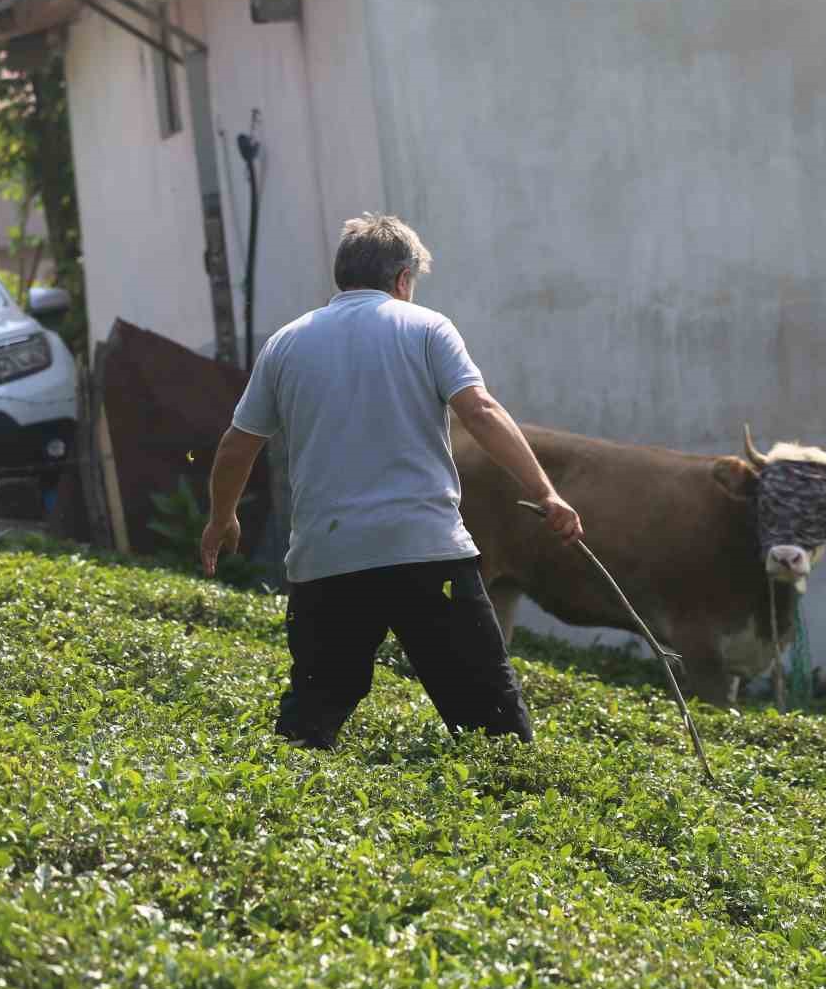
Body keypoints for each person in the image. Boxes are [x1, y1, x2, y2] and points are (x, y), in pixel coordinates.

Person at [199, 213, 581, 748]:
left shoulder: (286, 343)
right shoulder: (426, 328)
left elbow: (238, 444)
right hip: (426, 553)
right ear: (403, 279)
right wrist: (545, 493)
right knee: (494, 729)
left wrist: (222, 517)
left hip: (327, 560)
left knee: (309, 723)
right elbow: (482, 412)